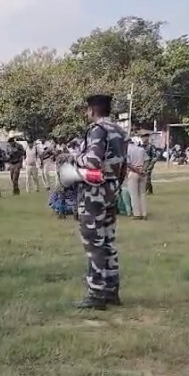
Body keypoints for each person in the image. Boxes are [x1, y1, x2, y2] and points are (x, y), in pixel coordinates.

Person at [73, 94, 129, 310]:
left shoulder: (98, 129)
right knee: (108, 241)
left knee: (93, 243)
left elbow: (93, 161)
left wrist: (76, 158)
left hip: (94, 192)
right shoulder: (120, 131)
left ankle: (96, 294)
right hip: (112, 189)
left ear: (92, 110)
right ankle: (111, 290)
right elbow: (122, 166)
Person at [125, 139, 148, 220]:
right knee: (142, 194)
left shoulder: (127, 150)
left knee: (134, 195)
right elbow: (146, 161)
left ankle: (137, 214)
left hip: (133, 173)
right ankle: (144, 213)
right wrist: (143, 170)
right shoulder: (141, 149)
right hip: (143, 172)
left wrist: (136, 171)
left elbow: (128, 164)